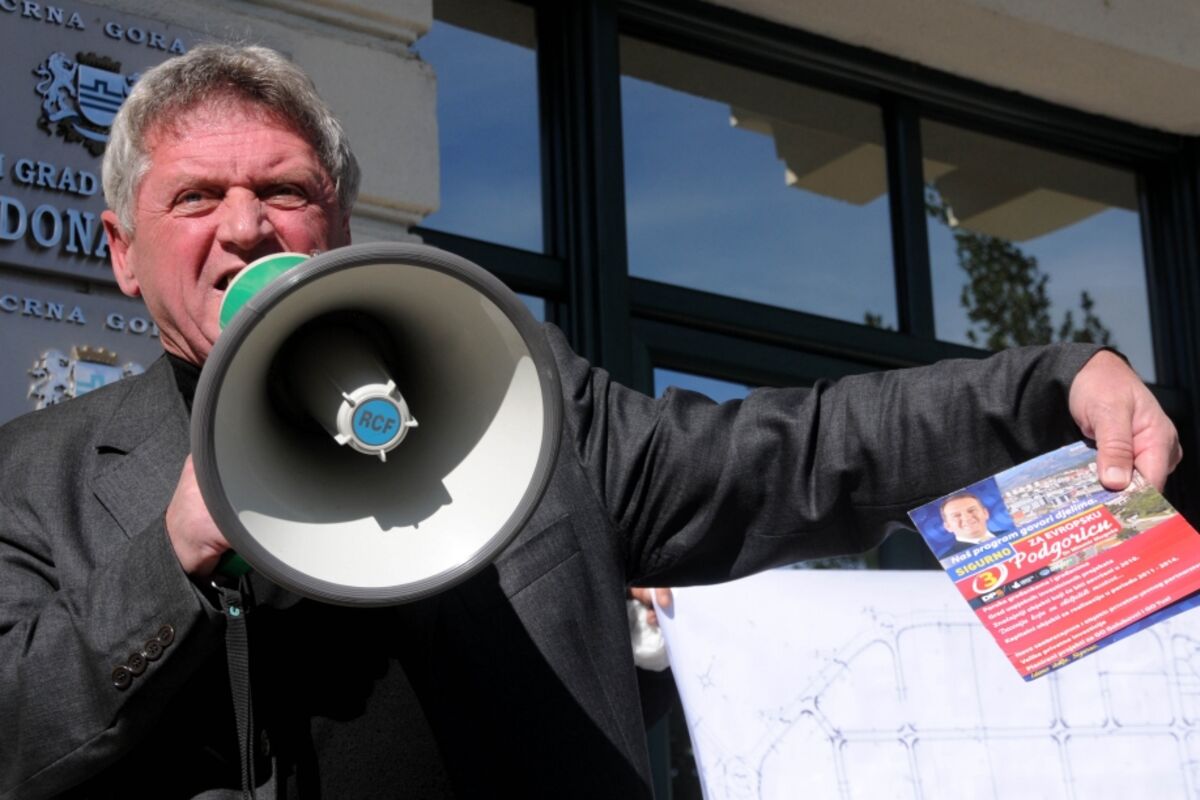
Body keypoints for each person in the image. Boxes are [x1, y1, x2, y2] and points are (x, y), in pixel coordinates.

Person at [0, 44, 1181, 799]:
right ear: (123, 253)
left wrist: (1045, 387)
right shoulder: (35, 478)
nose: (246, 225)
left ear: (340, 225)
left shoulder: (518, 395)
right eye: (195, 197)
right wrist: (176, 553)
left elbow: (791, 455)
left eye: (284, 188)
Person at [938, 491, 1011, 558]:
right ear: (948, 526)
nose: (967, 518)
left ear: (985, 513)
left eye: (971, 510)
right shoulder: (947, 560)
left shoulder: (1011, 534)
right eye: (956, 515)